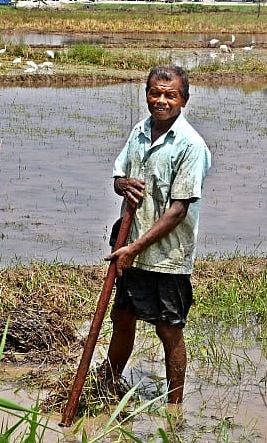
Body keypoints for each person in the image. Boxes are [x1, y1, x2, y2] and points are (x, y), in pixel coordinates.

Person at [104, 64, 211, 408]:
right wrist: (122, 185)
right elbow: (119, 175)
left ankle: (174, 407)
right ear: (146, 94)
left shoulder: (191, 145)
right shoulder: (140, 130)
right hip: (129, 245)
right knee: (122, 318)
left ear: (184, 99)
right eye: (155, 93)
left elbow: (178, 210)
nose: (161, 101)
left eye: (170, 95)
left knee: (168, 329)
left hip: (167, 255)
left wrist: (135, 248)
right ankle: (108, 387)